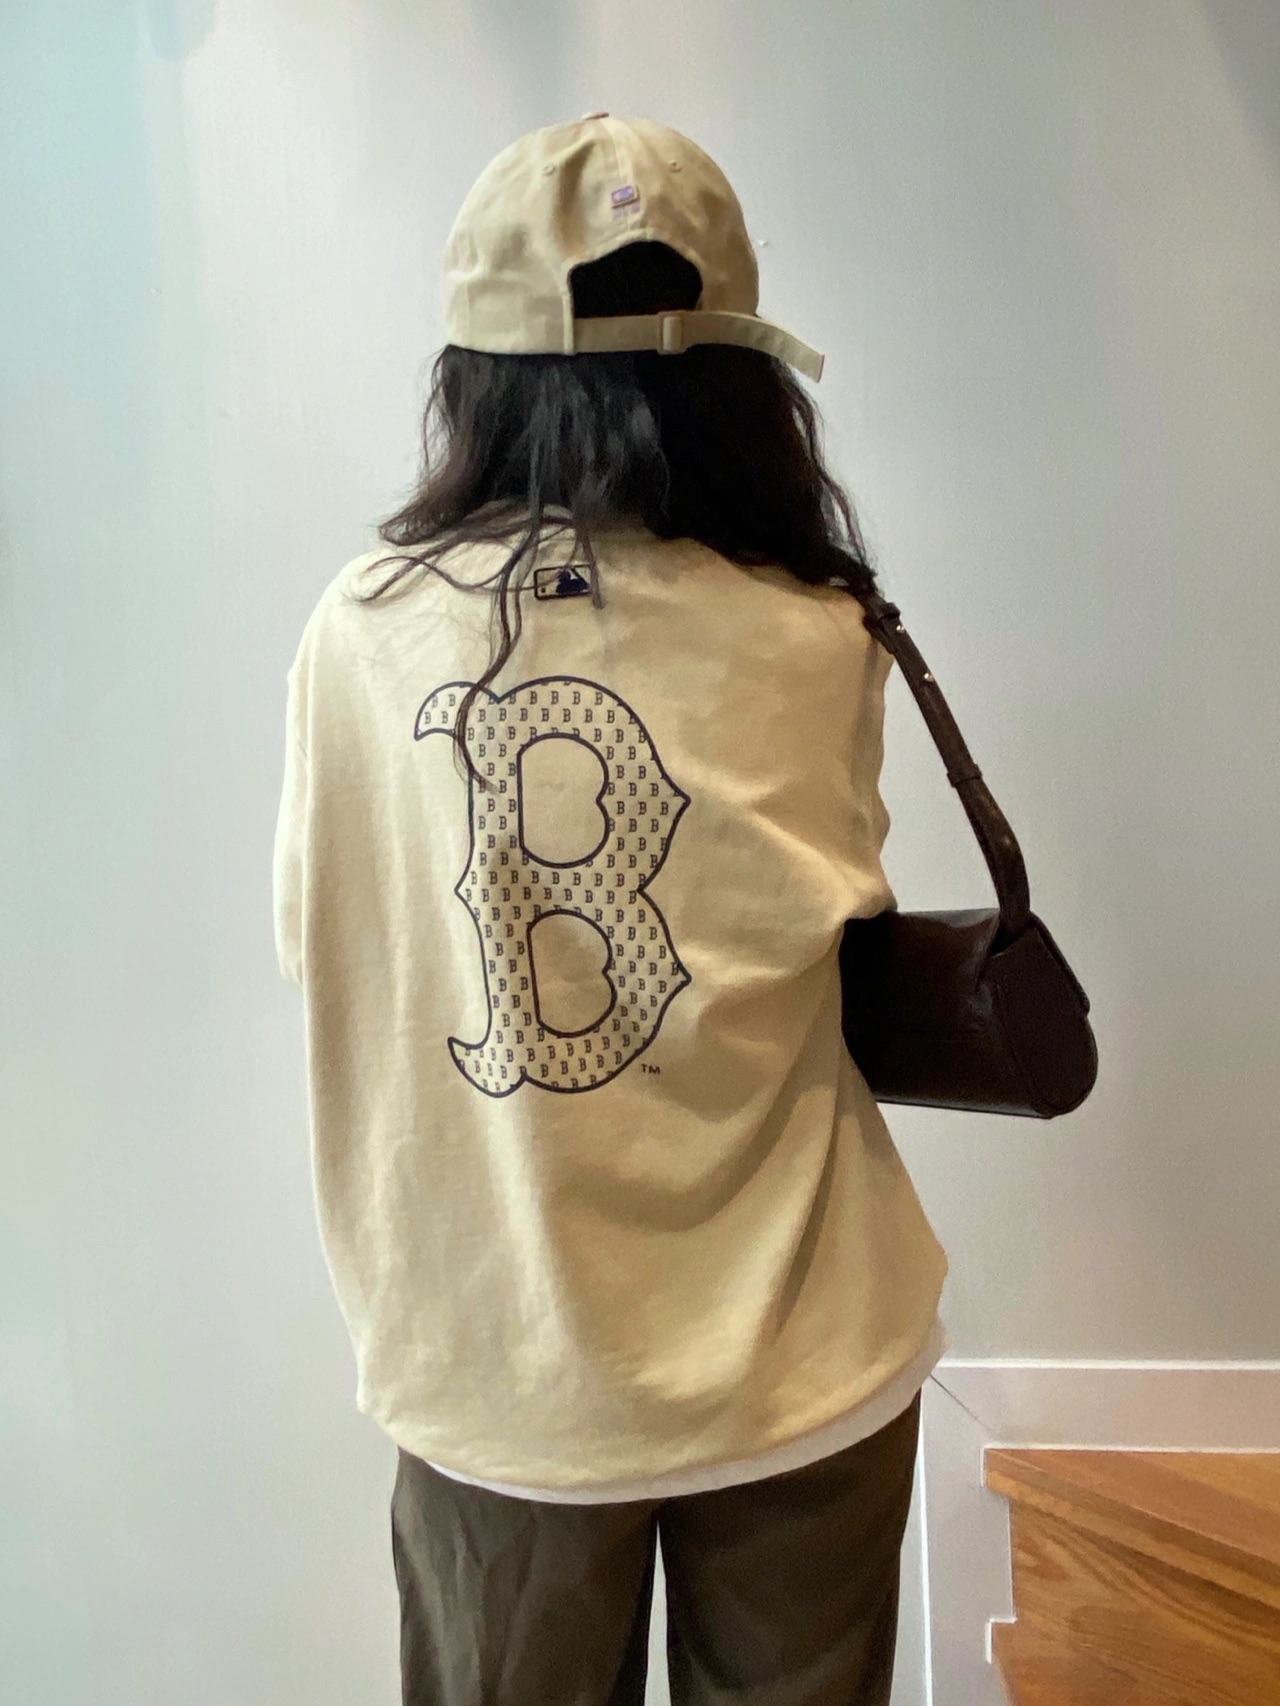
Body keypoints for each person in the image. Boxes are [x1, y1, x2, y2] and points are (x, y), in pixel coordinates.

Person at [273, 113, 949, 1706]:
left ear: (475, 371)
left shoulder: (361, 632)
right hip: (809, 1342)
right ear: (742, 379)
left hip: (503, 1366)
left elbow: (321, 939)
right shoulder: (821, 626)